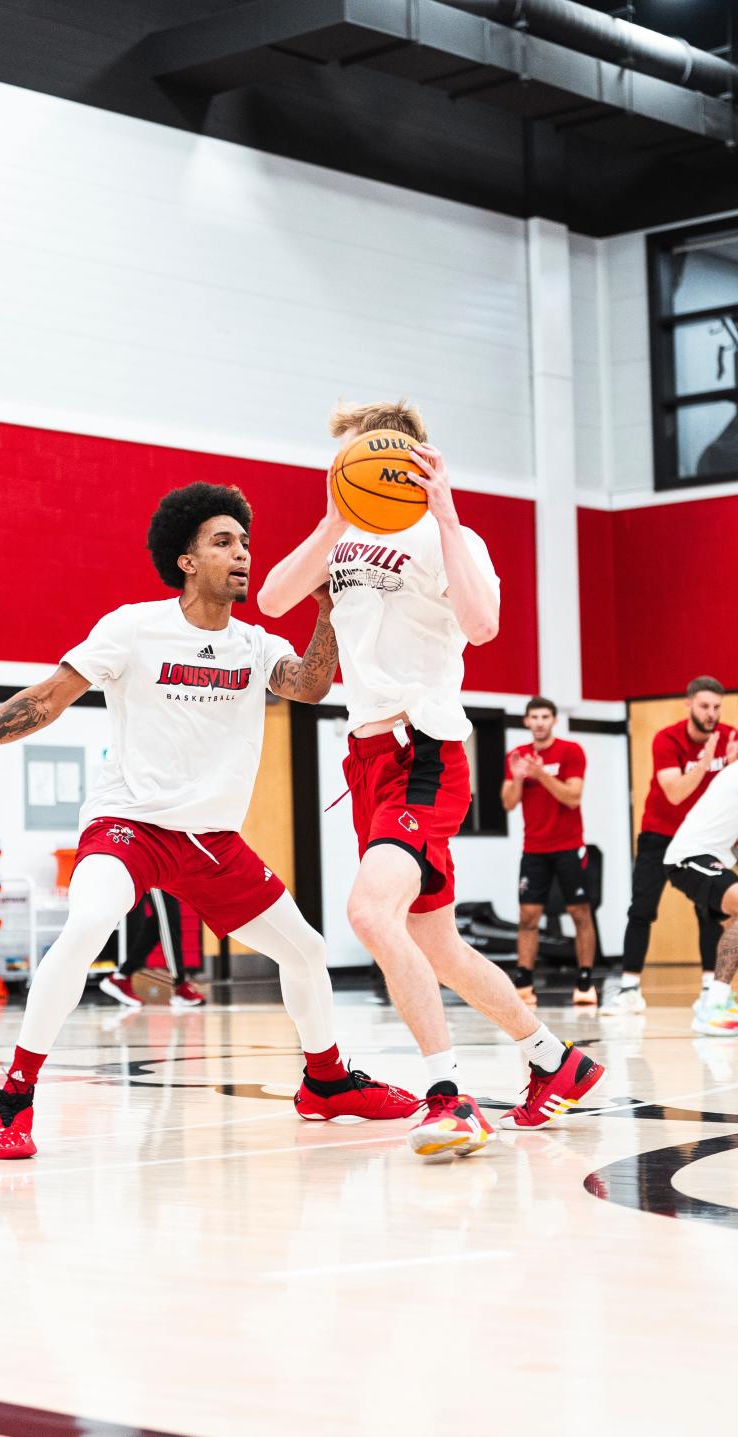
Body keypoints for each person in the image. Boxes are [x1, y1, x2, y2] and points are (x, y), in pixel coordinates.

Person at [0, 483, 420, 1160]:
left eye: (246, 542)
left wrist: (328, 615)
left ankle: (327, 1079)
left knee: (307, 950)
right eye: (223, 541)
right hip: (127, 823)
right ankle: (13, 1096)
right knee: (86, 926)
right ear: (186, 559)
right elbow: (48, 699)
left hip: (210, 839)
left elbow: (310, 685)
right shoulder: (133, 627)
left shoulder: (253, 645)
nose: (243, 554)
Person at [258, 399, 604, 1155]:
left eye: (358, 458)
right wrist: (329, 515)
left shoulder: (451, 537)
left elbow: (483, 625)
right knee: (436, 943)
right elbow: (273, 597)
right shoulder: (344, 536)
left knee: (369, 913)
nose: (345, 469)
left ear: (402, 459)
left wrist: (446, 515)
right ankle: (557, 1060)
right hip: (367, 760)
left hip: (426, 751)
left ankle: (451, 1095)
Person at [604, 676, 738, 1016]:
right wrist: (706, 762)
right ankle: (630, 988)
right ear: (689, 705)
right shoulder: (667, 739)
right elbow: (675, 792)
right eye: (705, 706)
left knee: (712, 911)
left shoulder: (731, 738)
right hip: (661, 834)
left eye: (717, 707)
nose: (712, 714)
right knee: (642, 909)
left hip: (707, 841)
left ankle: (710, 988)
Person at [502, 696, 597, 1006]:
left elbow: (573, 797)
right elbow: (508, 802)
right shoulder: (516, 756)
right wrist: (517, 777)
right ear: (527, 722)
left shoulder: (571, 751)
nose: (540, 722)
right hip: (534, 849)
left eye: (545, 716)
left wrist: (542, 774)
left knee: (579, 912)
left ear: (554, 720)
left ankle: (584, 980)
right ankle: (525, 981)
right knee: (528, 916)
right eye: (534, 717)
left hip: (569, 846)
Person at [663, 759, 738, 1035]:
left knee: (732, 923)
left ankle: (718, 997)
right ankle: (713, 1007)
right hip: (689, 857)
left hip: (714, 858)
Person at [101, 888, 206, 1008]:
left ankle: (122, 975)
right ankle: (179, 984)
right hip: (157, 872)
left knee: (159, 922)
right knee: (169, 919)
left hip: (168, 872)